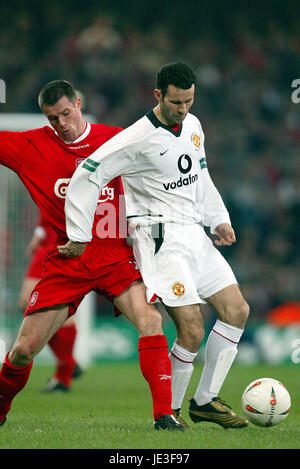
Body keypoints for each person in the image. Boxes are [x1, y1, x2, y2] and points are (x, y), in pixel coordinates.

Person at [62, 62, 250, 429]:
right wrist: (80, 232)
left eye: (189, 101)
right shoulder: (136, 138)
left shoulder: (193, 125)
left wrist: (218, 218)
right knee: (192, 329)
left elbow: (200, 174)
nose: (183, 109)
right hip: (160, 238)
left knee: (237, 311)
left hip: (195, 233)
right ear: (158, 95)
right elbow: (89, 171)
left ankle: (206, 400)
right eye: (177, 102)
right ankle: (170, 413)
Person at [0, 80, 183, 431]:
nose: (62, 124)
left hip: (114, 254)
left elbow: (162, 164)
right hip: (68, 258)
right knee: (24, 349)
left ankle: (164, 416)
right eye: (53, 118)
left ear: (79, 104)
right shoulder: (29, 146)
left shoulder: (116, 138)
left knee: (151, 321)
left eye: (66, 114)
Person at [18, 211, 82, 392]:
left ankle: (64, 372)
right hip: (48, 234)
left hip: (65, 237)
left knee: (59, 306)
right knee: (26, 301)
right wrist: (40, 231)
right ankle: (69, 363)